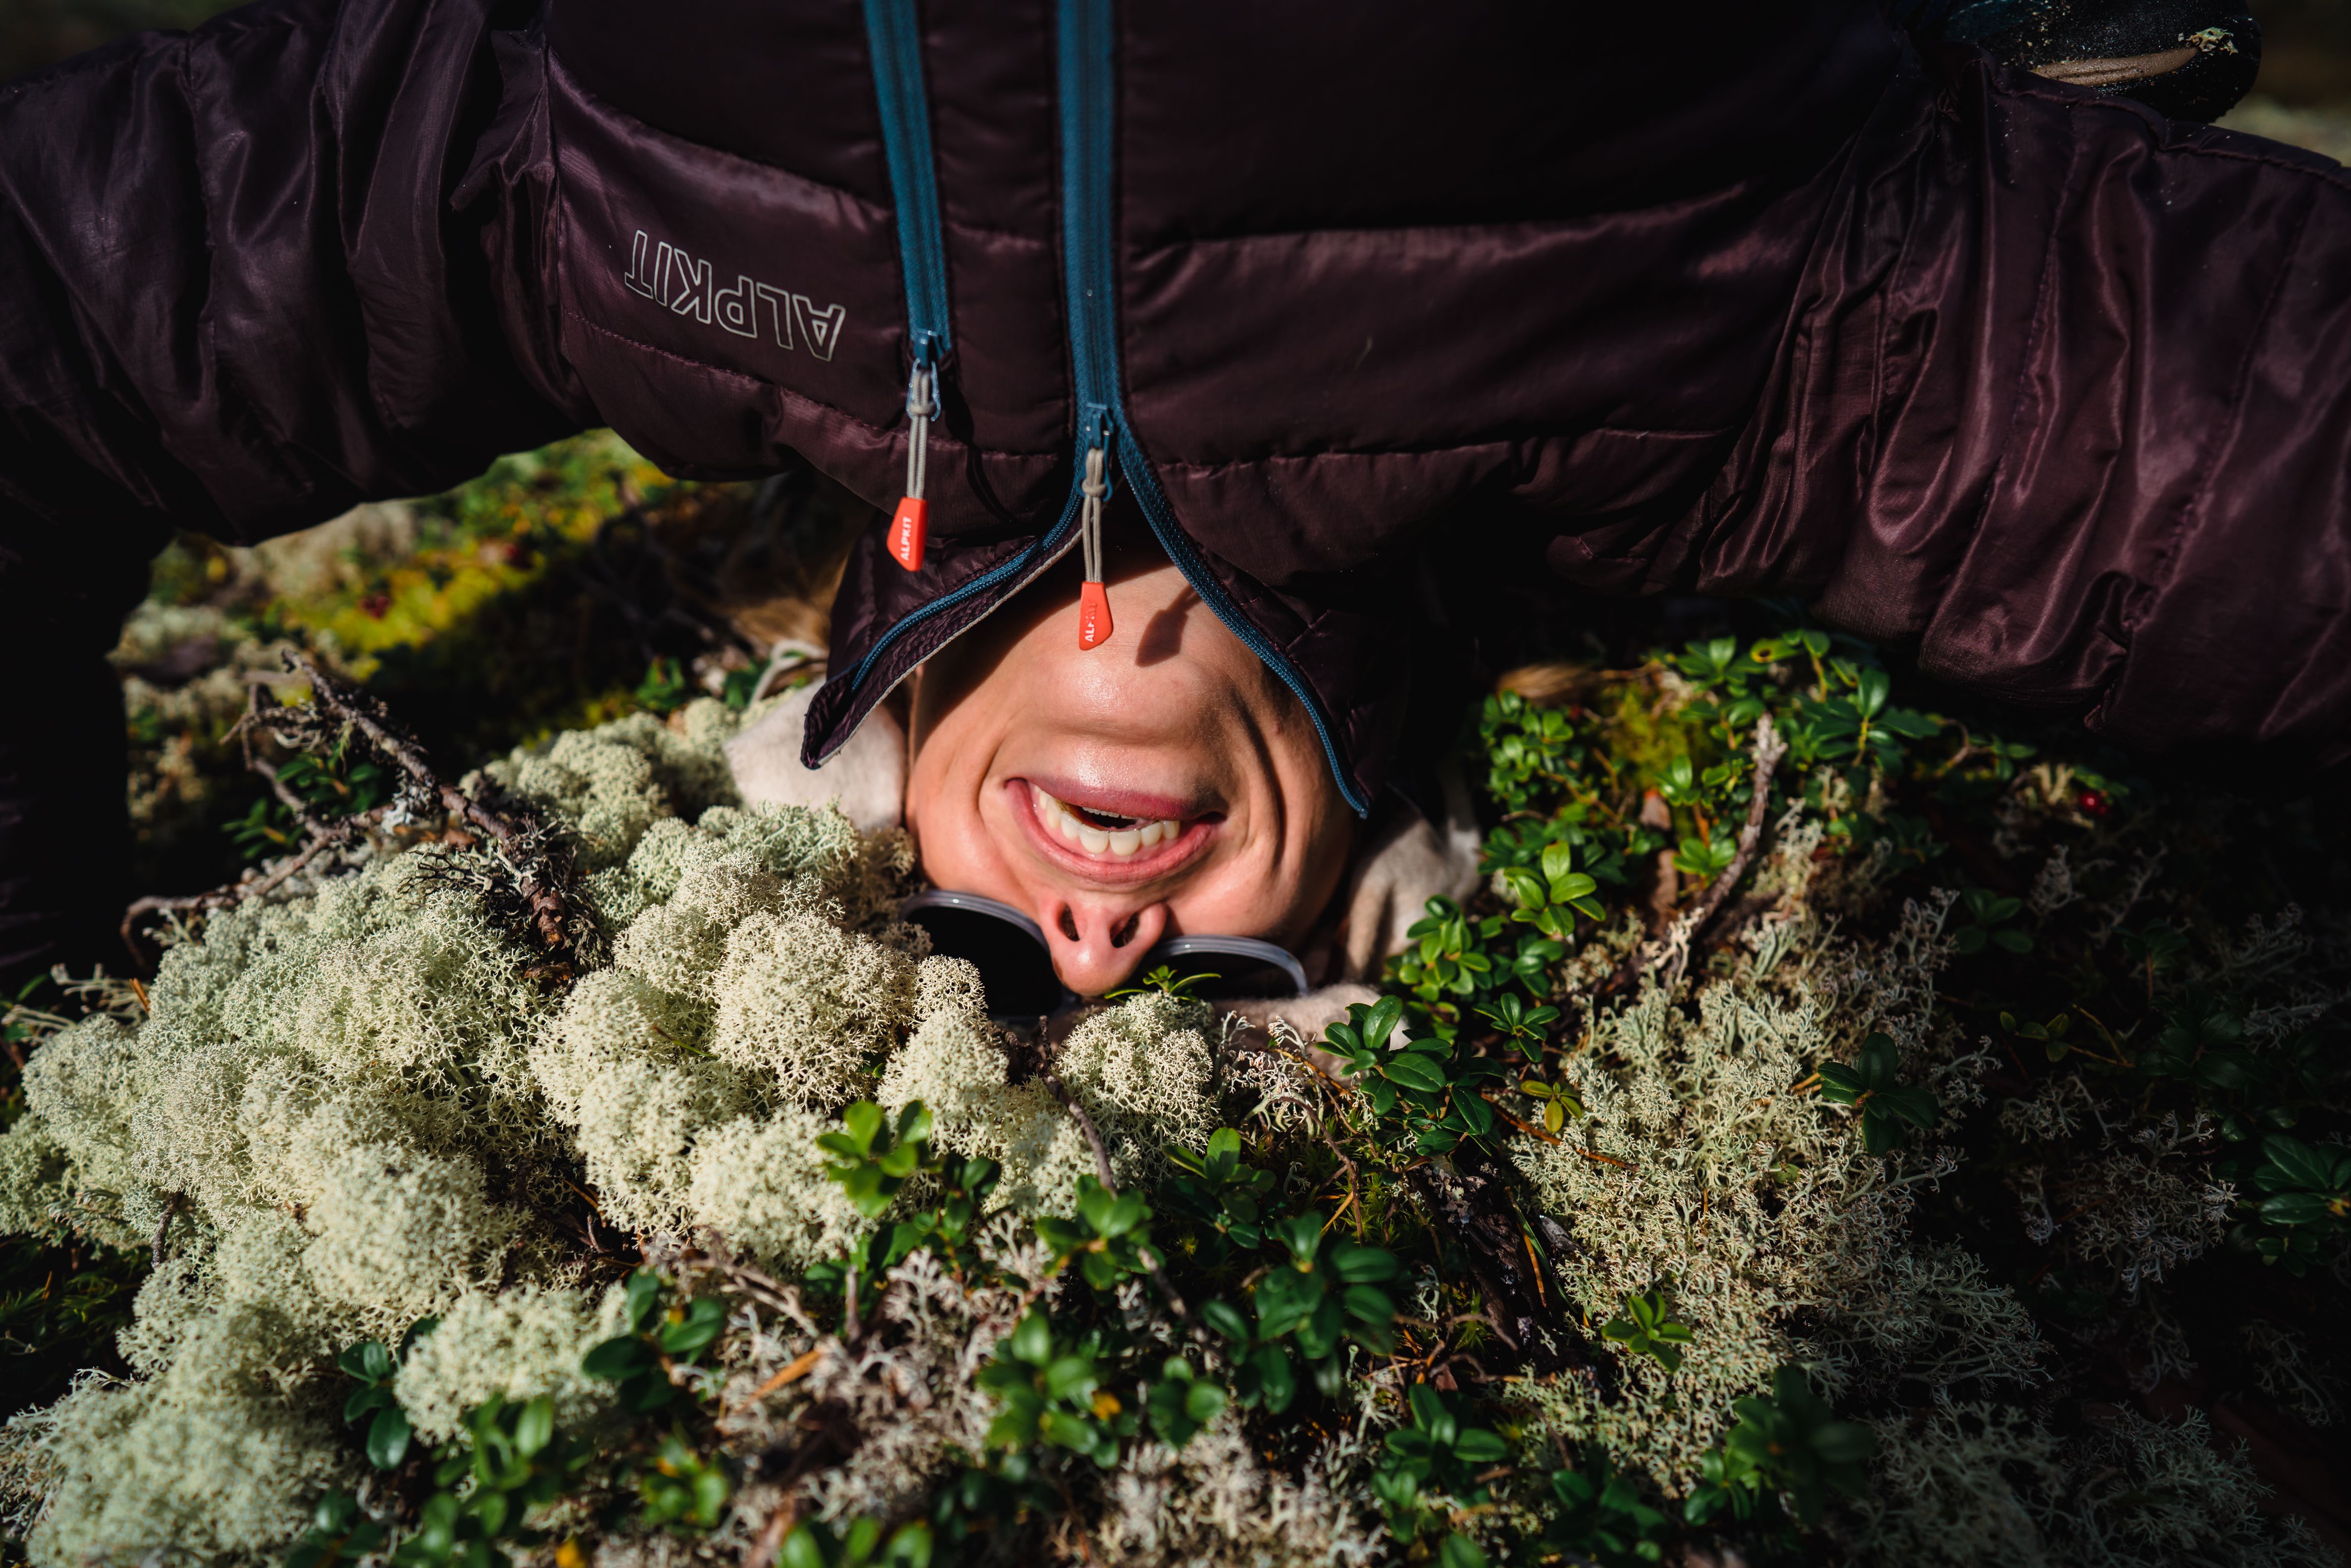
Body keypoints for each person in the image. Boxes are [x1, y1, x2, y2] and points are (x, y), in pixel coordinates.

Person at [2, 0, 2345, 997]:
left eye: (973, 954)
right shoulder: (1773, 375)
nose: (1101, 946)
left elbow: (58, 311)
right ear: (1383, 820)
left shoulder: (610, 248)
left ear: (869, 763)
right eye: (1233, 973)